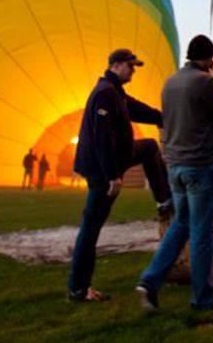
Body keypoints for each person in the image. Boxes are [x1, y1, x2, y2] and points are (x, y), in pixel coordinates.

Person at [136, 35, 213, 314]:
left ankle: (150, 281)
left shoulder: (170, 82)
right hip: (199, 165)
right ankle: (203, 299)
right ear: (207, 58)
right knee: (202, 234)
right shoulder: (203, 82)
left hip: (175, 165)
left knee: (180, 226)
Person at [67, 49, 171, 303]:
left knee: (148, 148)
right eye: (130, 65)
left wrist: (166, 117)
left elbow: (139, 110)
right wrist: (112, 176)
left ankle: (164, 200)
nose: (133, 70)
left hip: (116, 159)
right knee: (90, 228)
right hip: (103, 170)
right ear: (115, 65)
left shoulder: (115, 93)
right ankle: (78, 289)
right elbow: (102, 138)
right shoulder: (104, 94)